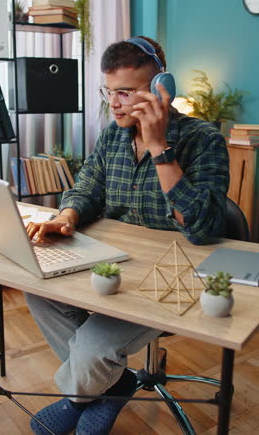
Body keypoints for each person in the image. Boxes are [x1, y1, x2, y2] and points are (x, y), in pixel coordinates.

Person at [26, 36, 229, 435]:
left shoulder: (204, 140)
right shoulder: (111, 137)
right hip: (114, 264)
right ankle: (114, 384)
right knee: (39, 289)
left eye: (125, 92)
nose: (113, 103)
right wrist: (66, 217)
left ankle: (79, 396)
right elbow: (85, 188)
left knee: (94, 347)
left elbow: (203, 227)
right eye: (109, 91)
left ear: (160, 89)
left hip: (175, 275)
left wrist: (158, 147)